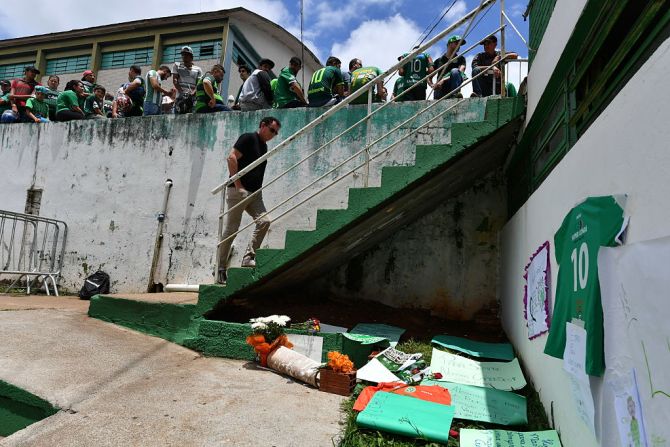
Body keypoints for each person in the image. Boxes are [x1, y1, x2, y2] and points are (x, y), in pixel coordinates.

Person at [217, 116, 281, 284]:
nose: (273, 134)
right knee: (232, 229)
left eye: (276, 133)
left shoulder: (264, 146)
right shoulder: (248, 138)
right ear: (262, 125)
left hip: (254, 193)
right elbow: (231, 158)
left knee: (264, 221)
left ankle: (249, 256)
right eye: (272, 130)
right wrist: (238, 185)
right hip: (238, 191)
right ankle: (221, 268)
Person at [172, 46, 203, 114]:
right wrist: (181, 92)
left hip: (192, 99)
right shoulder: (177, 65)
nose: (184, 56)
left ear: (191, 57)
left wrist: (193, 92)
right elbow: (175, 80)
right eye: (183, 54)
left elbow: (199, 84)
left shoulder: (198, 69)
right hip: (180, 98)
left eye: (186, 54)